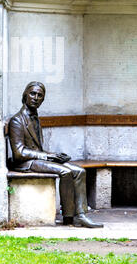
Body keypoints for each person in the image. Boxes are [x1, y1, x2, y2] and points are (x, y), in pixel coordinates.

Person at [8, 81, 103, 228]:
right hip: (26, 163)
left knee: (79, 171)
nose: (36, 98)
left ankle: (81, 215)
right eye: (32, 93)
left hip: (37, 158)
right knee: (65, 172)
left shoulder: (35, 118)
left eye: (40, 95)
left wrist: (53, 155)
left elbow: (37, 148)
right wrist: (47, 156)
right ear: (25, 95)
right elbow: (19, 153)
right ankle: (69, 217)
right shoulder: (17, 120)